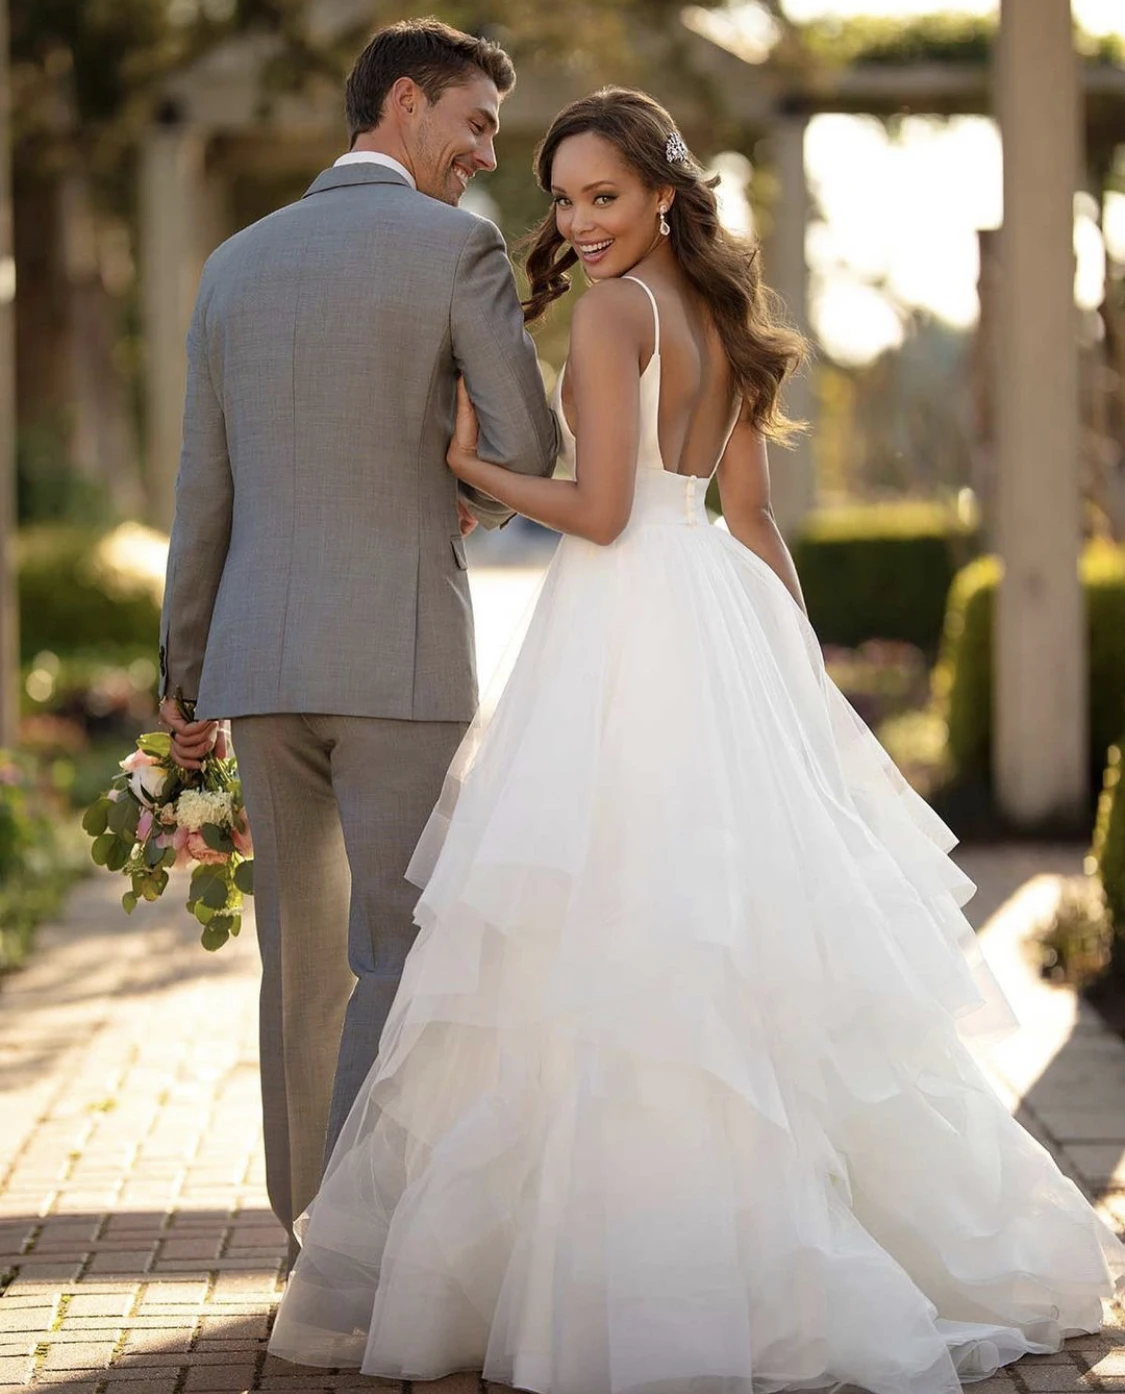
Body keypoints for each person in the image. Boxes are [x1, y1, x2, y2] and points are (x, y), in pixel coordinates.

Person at [268, 87, 1125, 1390]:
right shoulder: (723, 317)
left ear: (662, 191)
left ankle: (651, 1270)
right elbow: (753, 517)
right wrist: (799, 677)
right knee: (727, 939)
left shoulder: (614, 315)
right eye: (561, 200)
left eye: (601, 195)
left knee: (617, 935)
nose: (579, 223)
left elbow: (602, 514)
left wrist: (472, 470)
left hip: (626, 632)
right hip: (717, 620)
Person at [157, 19, 558, 1263]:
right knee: (399, 951)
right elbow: (529, 452)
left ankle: (304, 1227)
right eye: (476, 123)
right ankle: (368, 1242)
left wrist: (186, 668)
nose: (486, 155)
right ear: (403, 103)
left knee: (301, 964)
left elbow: (203, 487)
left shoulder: (234, 262)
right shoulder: (455, 248)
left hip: (261, 670)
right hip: (401, 661)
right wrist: (467, 481)